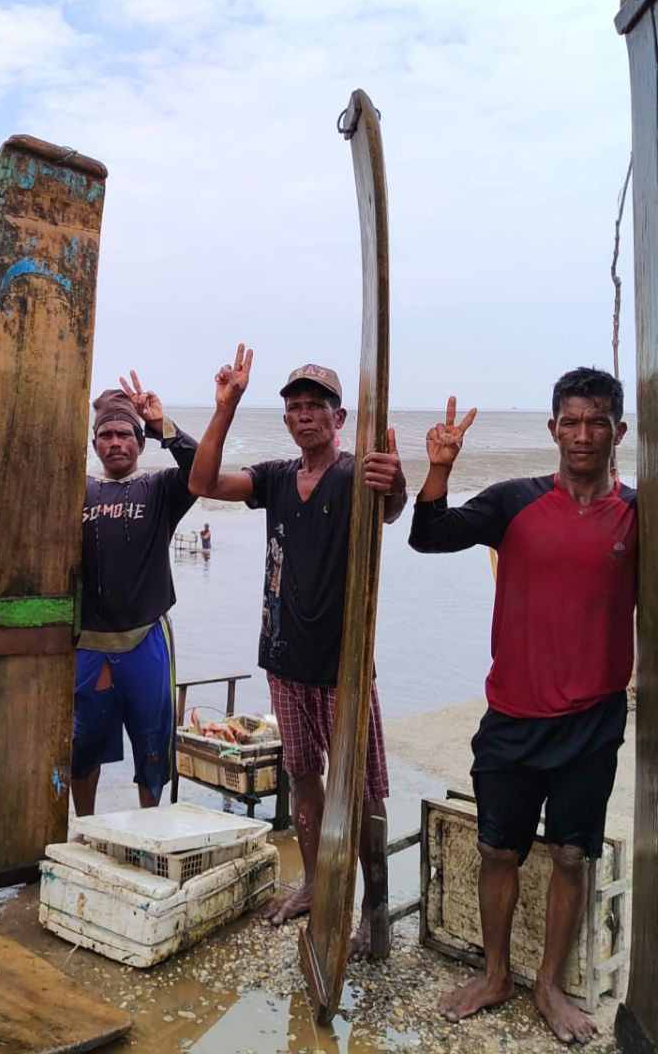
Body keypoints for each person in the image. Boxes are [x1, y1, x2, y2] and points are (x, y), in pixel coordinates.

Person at [408, 370, 635, 1045]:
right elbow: (429, 534)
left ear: (619, 431)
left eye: (597, 422)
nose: (584, 434)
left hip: (592, 720)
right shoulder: (515, 501)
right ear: (553, 429)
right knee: (496, 849)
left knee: (570, 855)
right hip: (512, 714)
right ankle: (497, 975)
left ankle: (549, 986)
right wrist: (439, 468)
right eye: (572, 421)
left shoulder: (638, 515)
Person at [187, 347, 406, 954]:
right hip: (283, 658)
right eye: (297, 407)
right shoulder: (279, 477)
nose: (306, 415)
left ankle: (376, 913)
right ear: (286, 419)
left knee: (363, 788)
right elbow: (202, 482)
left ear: (340, 419)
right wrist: (226, 407)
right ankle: (313, 882)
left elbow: (390, 508)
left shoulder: (355, 475)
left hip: (344, 666)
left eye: (318, 406)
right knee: (303, 776)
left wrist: (398, 482)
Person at [0, 371, 197, 816]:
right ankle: (85, 828)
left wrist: (161, 424)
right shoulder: (74, 491)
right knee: (82, 747)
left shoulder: (161, 488)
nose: (115, 442)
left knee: (152, 746)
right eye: (105, 435)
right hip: (88, 643)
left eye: (124, 434)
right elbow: (13, 498)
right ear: (94, 445)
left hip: (146, 638)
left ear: (140, 444)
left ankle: (150, 827)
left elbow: (202, 469)